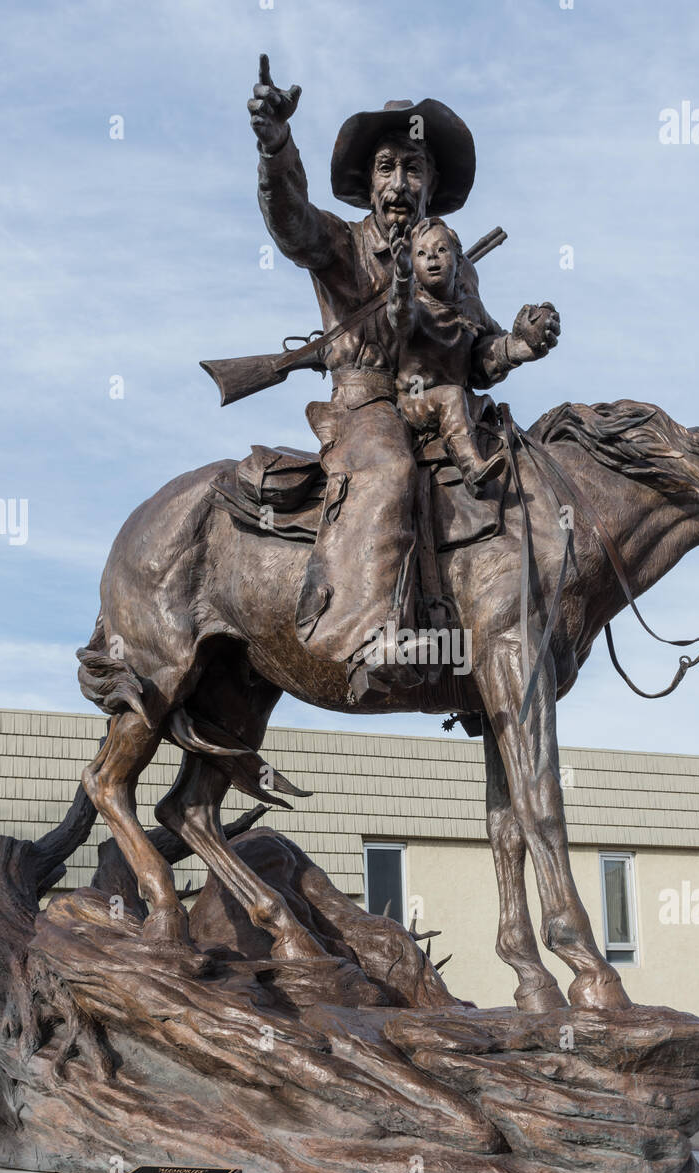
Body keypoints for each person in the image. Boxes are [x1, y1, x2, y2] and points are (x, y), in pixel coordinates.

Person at [248, 56, 560, 701]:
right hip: (367, 405)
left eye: (412, 167)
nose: (398, 181)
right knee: (388, 469)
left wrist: (521, 345)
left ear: (431, 181)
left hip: (446, 404)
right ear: (369, 184)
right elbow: (288, 219)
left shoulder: (449, 259)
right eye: (386, 167)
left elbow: (478, 354)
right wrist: (276, 146)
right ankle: (376, 635)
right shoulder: (341, 243)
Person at [388, 217, 509, 496]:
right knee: (450, 395)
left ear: (458, 260)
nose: (432, 257)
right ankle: (471, 469)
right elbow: (399, 314)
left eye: (441, 250)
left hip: (464, 402)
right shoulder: (414, 306)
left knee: (459, 398)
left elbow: (498, 338)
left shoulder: (472, 306)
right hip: (414, 403)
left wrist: (525, 339)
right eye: (420, 253)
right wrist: (402, 274)